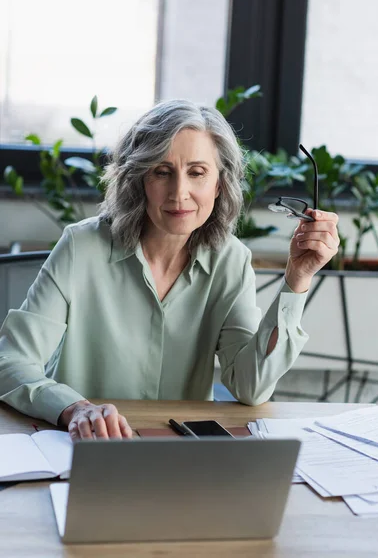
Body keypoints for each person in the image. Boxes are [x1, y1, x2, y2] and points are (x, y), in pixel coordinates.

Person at [0, 99, 339, 440]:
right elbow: (10, 361)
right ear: (140, 180)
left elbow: (252, 387)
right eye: (162, 172)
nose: (180, 193)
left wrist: (297, 279)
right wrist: (74, 408)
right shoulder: (80, 247)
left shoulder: (231, 260)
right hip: (86, 447)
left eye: (197, 172)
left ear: (218, 185)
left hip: (182, 456)